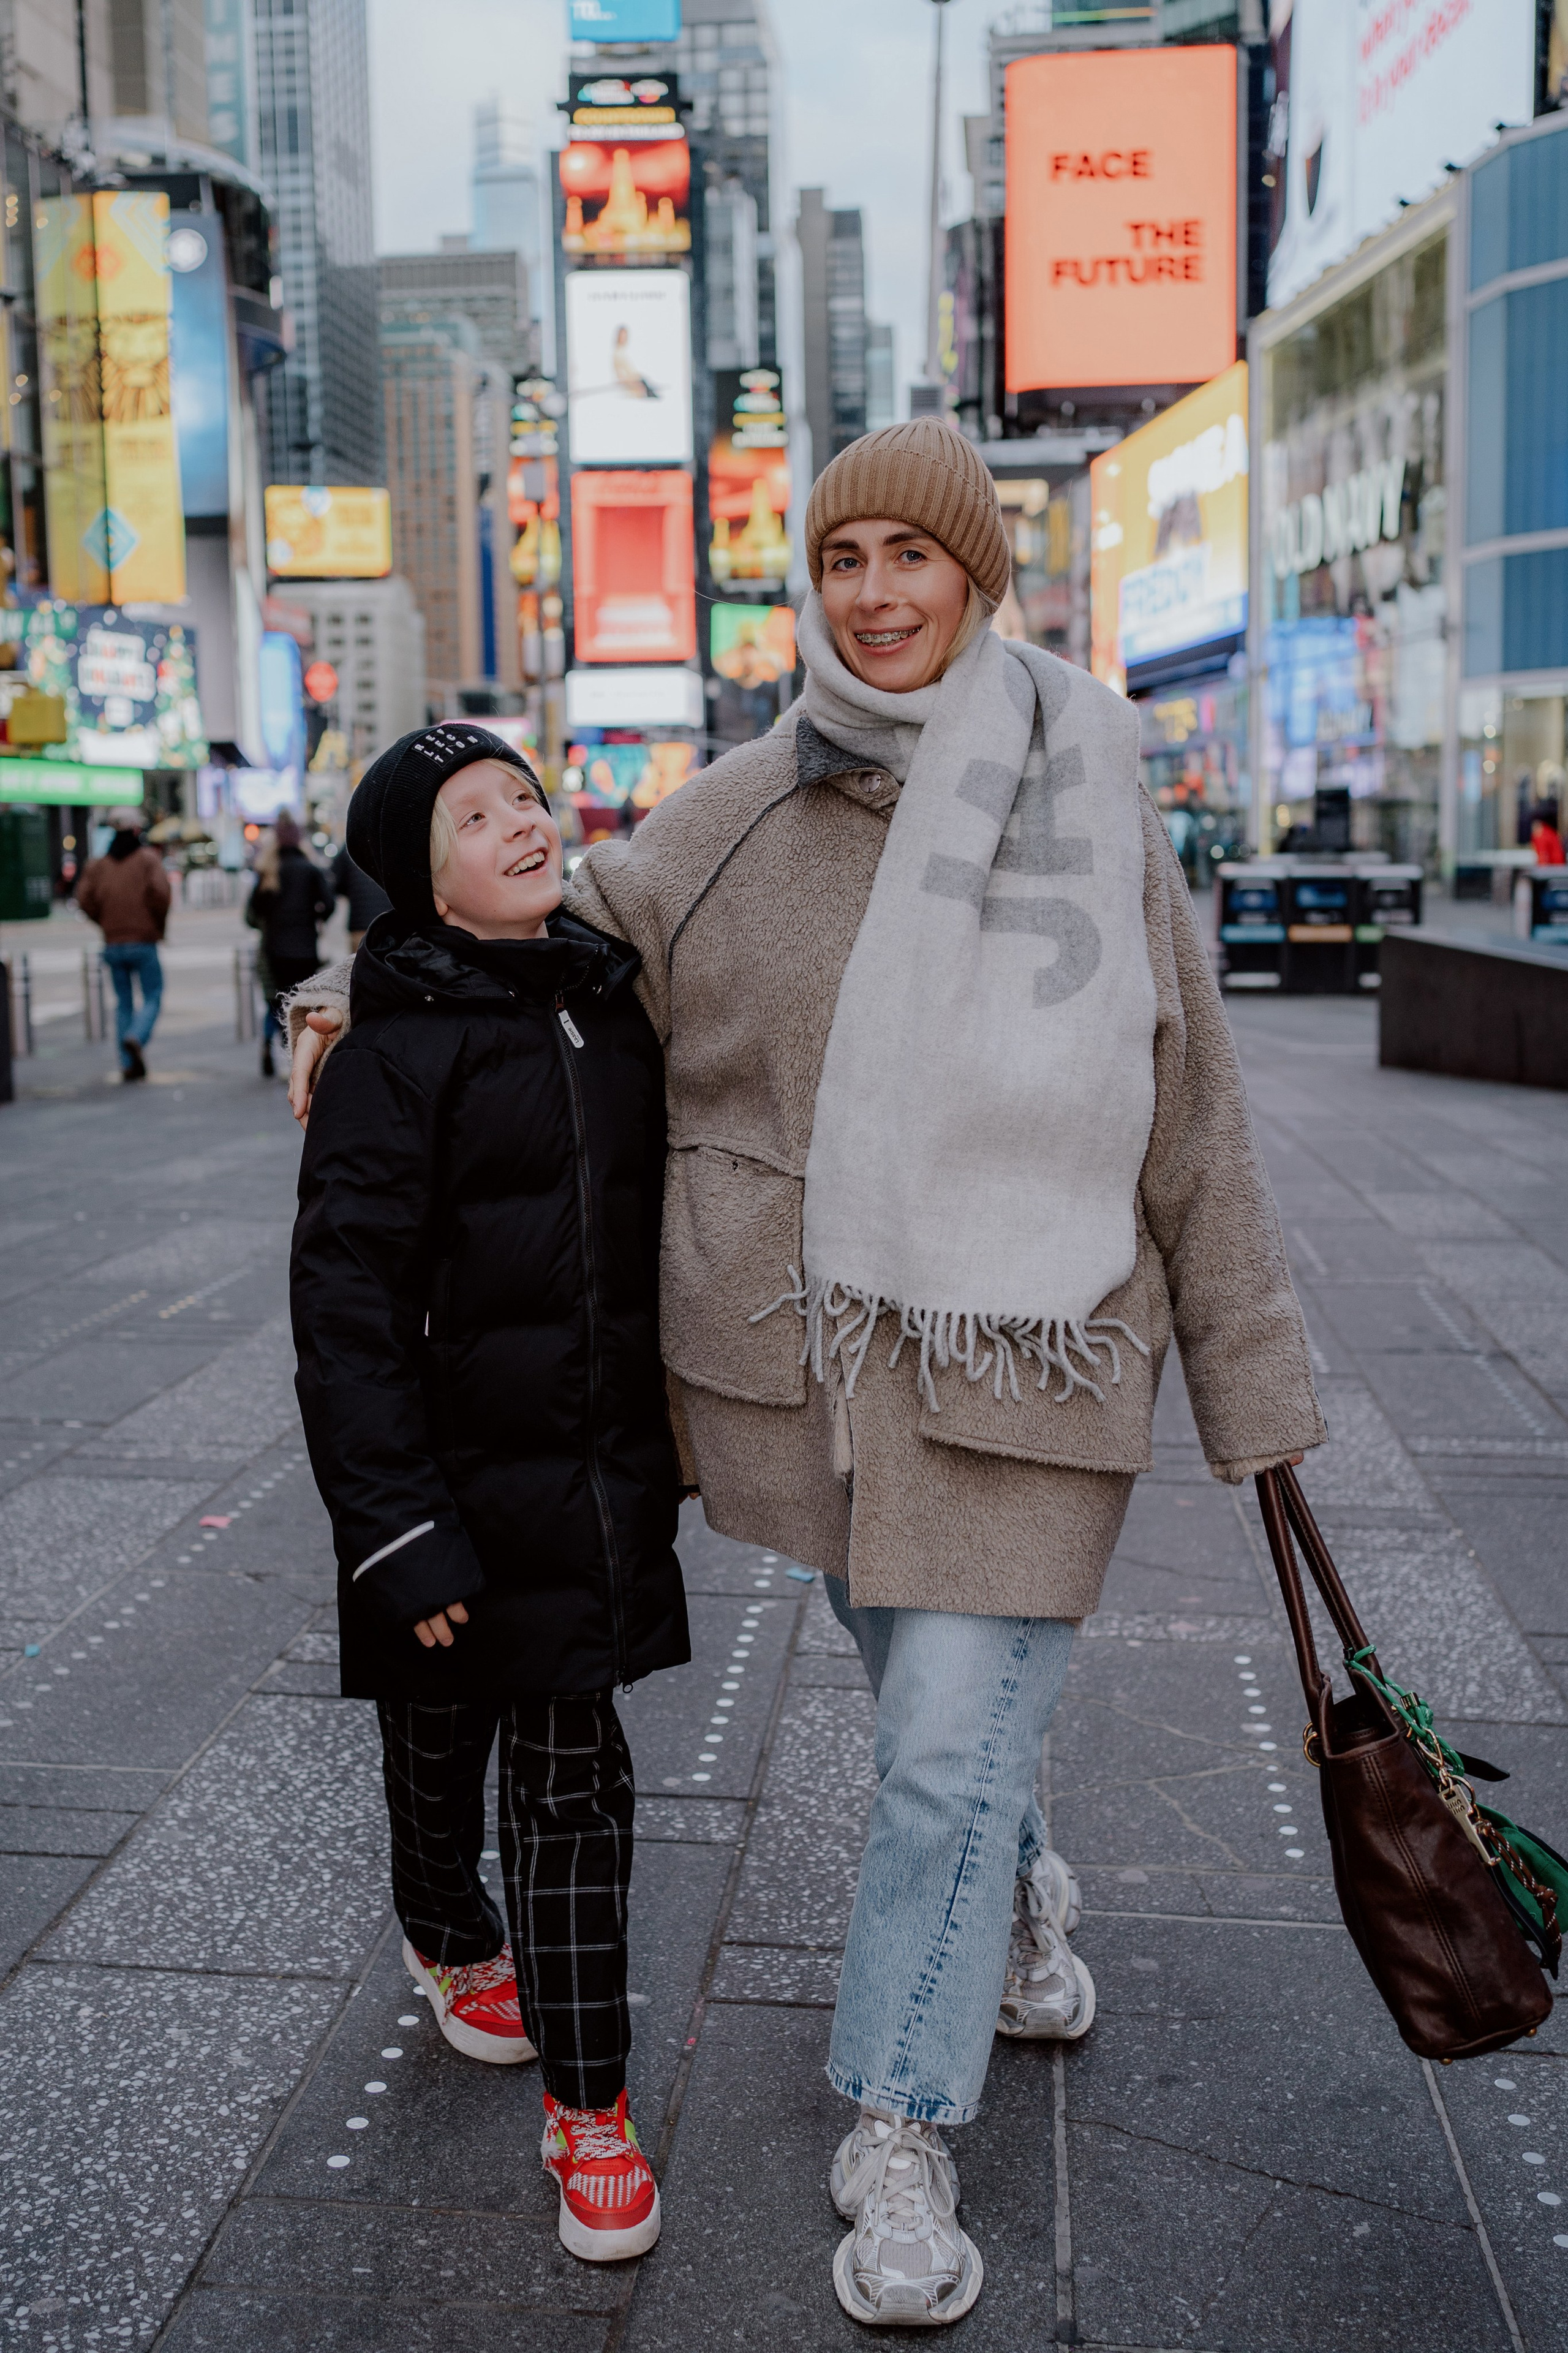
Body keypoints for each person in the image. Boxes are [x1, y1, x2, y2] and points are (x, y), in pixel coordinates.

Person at [287, 420, 1324, 2327]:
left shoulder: (1096, 785)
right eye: (839, 559)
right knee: (947, 1731)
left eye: (909, 557)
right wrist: (343, 984)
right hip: (823, 1377)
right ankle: (1012, 1886)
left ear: (973, 571)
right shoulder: (739, 803)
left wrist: (1255, 1398)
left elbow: (1191, 1119)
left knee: (932, 1747)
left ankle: (897, 2130)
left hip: (1041, 1359)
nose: (873, 594)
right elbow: (535, 931)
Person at [290, 723, 687, 2266]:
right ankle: (449, 1929)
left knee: (576, 1779)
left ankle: (589, 2103)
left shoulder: (607, 997)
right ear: (421, 882)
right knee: (439, 1724)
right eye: (474, 814)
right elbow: (347, 1306)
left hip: (589, 1482)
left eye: (524, 795)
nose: (520, 821)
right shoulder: (392, 1050)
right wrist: (391, 1524)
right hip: (445, 1487)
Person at [75, 805, 171, 1082]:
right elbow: (162, 895)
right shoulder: (147, 859)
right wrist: (157, 925)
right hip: (143, 941)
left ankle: (128, 1062)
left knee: (123, 1004)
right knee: (153, 995)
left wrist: (104, 922)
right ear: (136, 829)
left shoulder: (98, 865)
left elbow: (85, 899)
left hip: (113, 943)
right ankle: (136, 1037)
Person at [247, 812, 334, 1077]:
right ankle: (298, 1057)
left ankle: (274, 1047)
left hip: (276, 950)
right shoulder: (310, 870)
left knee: (278, 1003)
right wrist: (315, 920)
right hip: (306, 950)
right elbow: (328, 904)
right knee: (301, 1006)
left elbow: (252, 913)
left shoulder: (269, 872)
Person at [331, 836, 391, 948]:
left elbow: (336, 883)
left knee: (360, 962)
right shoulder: (391, 844)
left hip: (360, 925)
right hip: (391, 926)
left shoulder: (350, 846)